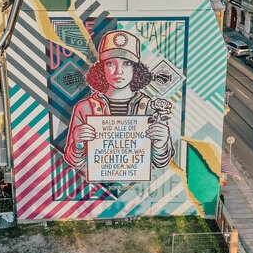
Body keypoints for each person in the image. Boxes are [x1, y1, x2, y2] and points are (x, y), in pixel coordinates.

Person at [64, 30, 174, 172]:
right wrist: (78, 144)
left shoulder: (151, 108)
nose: (118, 71)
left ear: (136, 69)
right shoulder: (84, 107)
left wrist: (161, 145)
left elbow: (161, 162)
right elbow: (73, 161)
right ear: (101, 69)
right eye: (110, 63)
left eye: (126, 63)